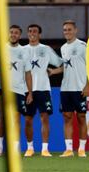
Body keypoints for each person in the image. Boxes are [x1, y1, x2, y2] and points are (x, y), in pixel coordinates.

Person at [0, 25, 33, 156]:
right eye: (11, 32)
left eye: (16, 33)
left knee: (16, 118)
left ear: (20, 35)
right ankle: (0, 147)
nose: (13, 35)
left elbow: (28, 73)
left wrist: (30, 92)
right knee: (3, 116)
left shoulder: (24, 51)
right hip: (3, 88)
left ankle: (14, 148)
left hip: (19, 90)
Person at [48, 20, 89, 158]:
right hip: (66, 88)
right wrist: (54, 72)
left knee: (82, 117)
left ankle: (82, 149)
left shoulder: (83, 46)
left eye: (69, 29)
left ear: (75, 30)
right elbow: (66, 67)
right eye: (65, 29)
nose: (67, 32)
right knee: (67, 117)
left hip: (80, 87)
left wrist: (88, 85)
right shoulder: (63, 48)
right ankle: (69, 149)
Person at [23, 24, 62, 157]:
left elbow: (62, 64)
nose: (32, 33)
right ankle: (30, 148)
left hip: (43, 89)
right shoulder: (22, 50)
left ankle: (45, 149)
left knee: (44, 117)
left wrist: (53, 71)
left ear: (39, 34)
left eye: (35, 31)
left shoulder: (46, 49)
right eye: (30, 31)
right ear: (27, 34)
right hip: (27, 90)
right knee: (28, 119)